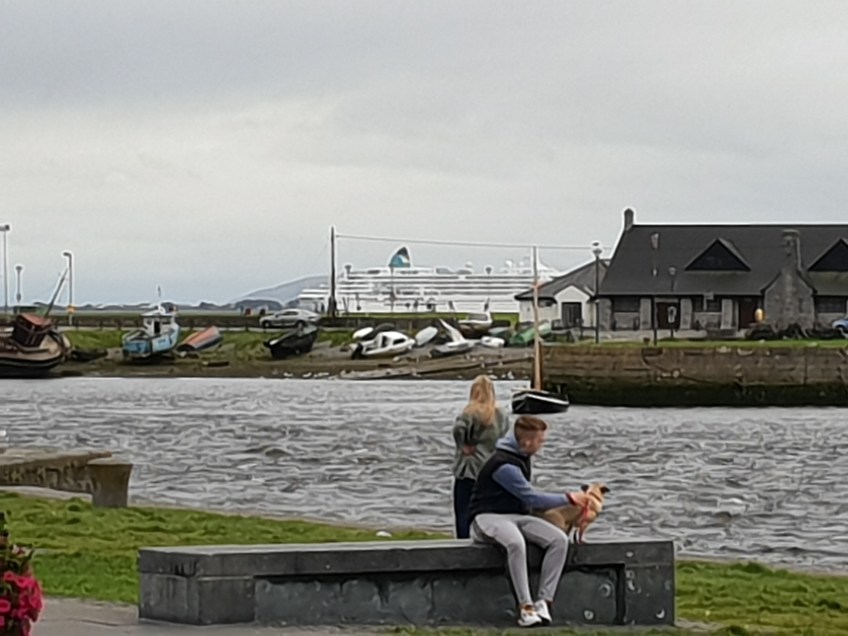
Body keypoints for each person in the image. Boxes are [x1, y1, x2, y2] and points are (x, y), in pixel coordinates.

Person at [468, 414, 589, 628]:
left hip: (517, 516)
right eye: (540, 441)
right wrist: (569, 498)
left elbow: (527, 502)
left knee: (559, 540)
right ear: (526, 442)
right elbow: (531, 497)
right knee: (515, 543)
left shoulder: (520, 457)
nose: (542, 445)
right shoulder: (504, 465)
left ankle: (544, 601)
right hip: (487, 517)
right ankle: (525, 607)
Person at [451, 375, 509, 539]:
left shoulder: (470, 412)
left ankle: (463, 540)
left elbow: (458, 429)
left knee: (463, 508)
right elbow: (504, 436)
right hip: (489, 465)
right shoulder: (501, 414)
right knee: (484, 508)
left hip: (469, 467)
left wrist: (462, 445)